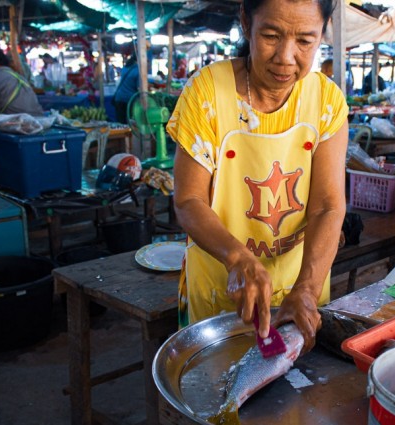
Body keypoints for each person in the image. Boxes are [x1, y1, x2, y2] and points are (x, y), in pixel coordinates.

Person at [166, 0, 348, 354]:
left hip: (300, 285)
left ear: (322, 34)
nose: (285, 56)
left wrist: (307, 289)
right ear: (246, 22)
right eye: (271, 35)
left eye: (305, 41)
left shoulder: (326, 100)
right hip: (220, 288)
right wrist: (237, 259)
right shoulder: (206, 93)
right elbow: (188, 200)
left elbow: (327, 206)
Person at [113, 53, 139, 123]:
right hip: (129, 100)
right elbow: (139, 88)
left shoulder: (126, 67)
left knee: (121, 123)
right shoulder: (138, 70)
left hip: (119, 98)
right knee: (130, 124)